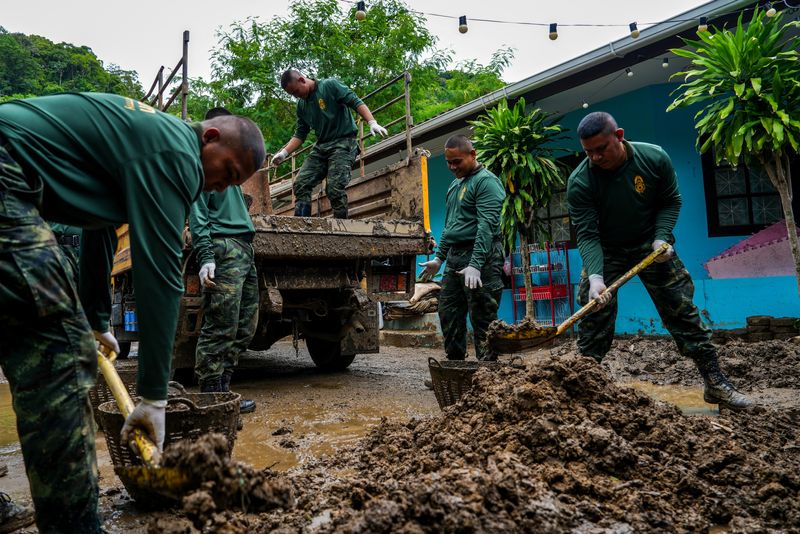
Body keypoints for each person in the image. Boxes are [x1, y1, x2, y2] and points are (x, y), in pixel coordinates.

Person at [0, 92, 265, 532]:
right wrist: (154, 397)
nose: (222, 187)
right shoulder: (176, 152)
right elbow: (158, 273)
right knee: (58, 355)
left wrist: (97, 320)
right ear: (211, 137)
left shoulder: (147, 145)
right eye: (228, 172)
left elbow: (99, 228)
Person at [566, 111, 751, 410]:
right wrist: (597, 278)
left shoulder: (653, 158)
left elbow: (670, 200)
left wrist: (661, 236)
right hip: (607, 249)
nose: (596, 158)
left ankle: (716, 384)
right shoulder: (580, 181)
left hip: (651, 245)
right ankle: (584, 391)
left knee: (683, 310)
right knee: (593, 314)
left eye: (602, 149)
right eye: (589, 152)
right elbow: (587, 235)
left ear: (619, 136)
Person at [190, 107, 257, 413]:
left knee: (244, 325)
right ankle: (211, 396)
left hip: (244, 248)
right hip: (223, 247)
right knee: (220, 325)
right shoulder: (204, 169)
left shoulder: (232, 173)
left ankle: (224, 388)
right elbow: (198, 213)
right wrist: (205, 255)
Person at [419, 135, 506, 362]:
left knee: (483, 316)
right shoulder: (455, 185)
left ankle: (488, 374)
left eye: (457, 161)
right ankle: (455, 368)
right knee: (448, 311)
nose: (452, 167)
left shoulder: (486, 182)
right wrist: (439, 259)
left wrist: (475, 265)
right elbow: (450, 226)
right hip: (455, 257)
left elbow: (486, 227)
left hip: (483, 257)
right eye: (448, 162)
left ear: (473, 154)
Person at [270, 69, 388, 219]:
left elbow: (355, 101)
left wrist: (372, 122)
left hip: (343, 142)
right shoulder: (302, 106)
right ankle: (300, 227)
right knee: (301, 184)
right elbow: (300, 134)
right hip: (322, 146)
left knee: (334, 188)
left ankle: (340, 228)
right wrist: (283, 153)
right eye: (292, 95)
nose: (296, 96)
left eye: (296, 91)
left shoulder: (329, 86)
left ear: (301, 80)